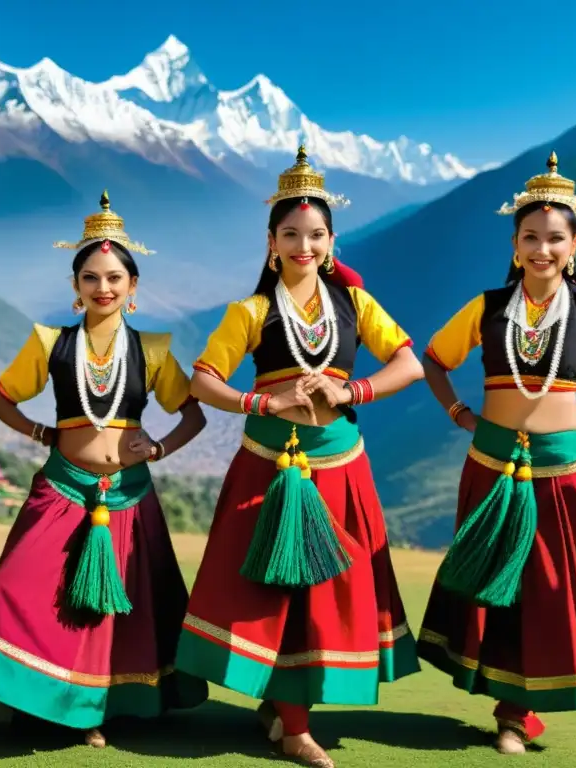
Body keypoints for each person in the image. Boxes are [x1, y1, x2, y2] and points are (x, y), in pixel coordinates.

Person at [415, 152, 576, 755]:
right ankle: (503, 704)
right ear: (514, 244)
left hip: (562, 471)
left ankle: (517, 714)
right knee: (496, 590)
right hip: (491, 465)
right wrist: (459, 412)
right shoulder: (485, 308)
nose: (542, 250)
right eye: (530, 237)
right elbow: (434, 359)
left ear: (573, 242)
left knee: (548, 592)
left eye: (554, 238)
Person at [173, 146, 426, 768]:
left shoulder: (356, 305)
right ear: (271, 240)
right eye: (291, 234)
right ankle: (292, 725)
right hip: (268, 466)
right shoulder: (251, 310)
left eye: (315, 234)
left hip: (340, 466)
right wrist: (264, 401)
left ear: (331, 240)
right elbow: (203, 380)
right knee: (272, 593)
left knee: (325, 595)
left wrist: (350, 390)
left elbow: (409, 363)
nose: (303, 245)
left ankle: (288, 713)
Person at [0, 191, 210, 749]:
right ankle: (34, 697)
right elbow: (2, 400)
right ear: (75, 287)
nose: (103, 288)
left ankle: (97, 708)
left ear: (133, 288)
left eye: (115, 278)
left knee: (114, 611)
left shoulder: (151, 351)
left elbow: (191, 414)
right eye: (91, 278)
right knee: (18, 588)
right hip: (62, 487)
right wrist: (43, 434)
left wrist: (161, 450)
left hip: (127, 494)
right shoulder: (50, 343)